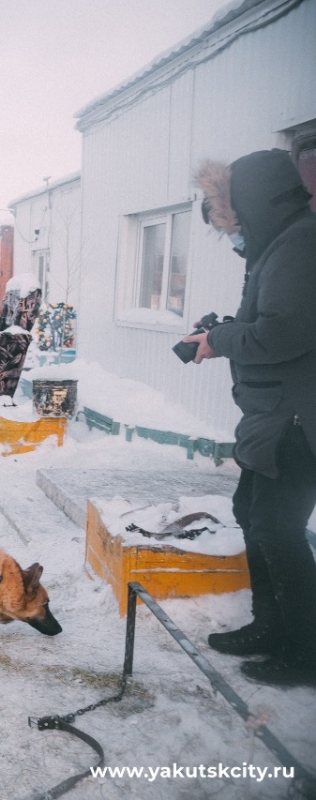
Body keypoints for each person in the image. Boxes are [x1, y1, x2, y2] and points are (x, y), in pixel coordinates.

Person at [184, 149, 316, 686]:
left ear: (254, 205)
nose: (231, 233)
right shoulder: (280, 246)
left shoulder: (300, 245)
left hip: (296, 418)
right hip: (273, 416)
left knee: (278, 529)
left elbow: (282, 333)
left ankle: (304, 648)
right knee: (252, 513)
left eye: (231, 218)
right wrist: (223, 326)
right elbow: (267, 320)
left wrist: (218, 339)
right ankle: (271, 626)